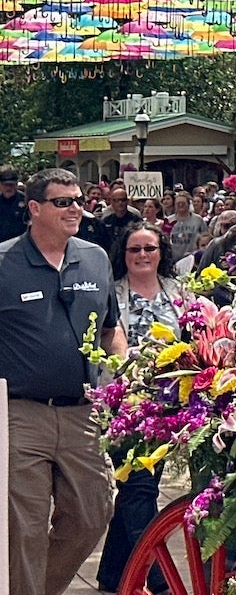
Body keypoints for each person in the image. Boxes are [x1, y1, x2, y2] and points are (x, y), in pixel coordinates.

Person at [0, 168, 126, 595]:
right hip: (20, 414)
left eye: (78, 200)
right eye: (63, 202)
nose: (76, 208)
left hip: (83, 413)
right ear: (35, 209)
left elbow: (112, 329)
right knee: (25, 528)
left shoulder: (95, 257)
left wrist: (125, 376)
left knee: (93, 513)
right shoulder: (4, 263)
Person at [96, 225, 187, 592]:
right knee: (139, 491)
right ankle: (159, 580)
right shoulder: (111, 293)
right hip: (126, 407)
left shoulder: (179, 293)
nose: (143, 255)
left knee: (135, 491)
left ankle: (112, 576)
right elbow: (105, 340)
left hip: (171, 407)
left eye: (150, 247)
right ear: (124, 253)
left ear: (161, 251)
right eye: (135, 249)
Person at [167, 189, 205, 258]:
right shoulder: (168, 221)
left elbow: (205, 238)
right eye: (178, 203)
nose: (180, 205)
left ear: (188, 204)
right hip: (172, 259)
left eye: (183, 203)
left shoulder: (198, 220)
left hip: (191, 259)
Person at [0, 165, 26, 241]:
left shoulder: (26, 201)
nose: (8, 188)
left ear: (16, 185)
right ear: (0, 185)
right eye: (5, 185)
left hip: (20, 244)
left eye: (11, 185)